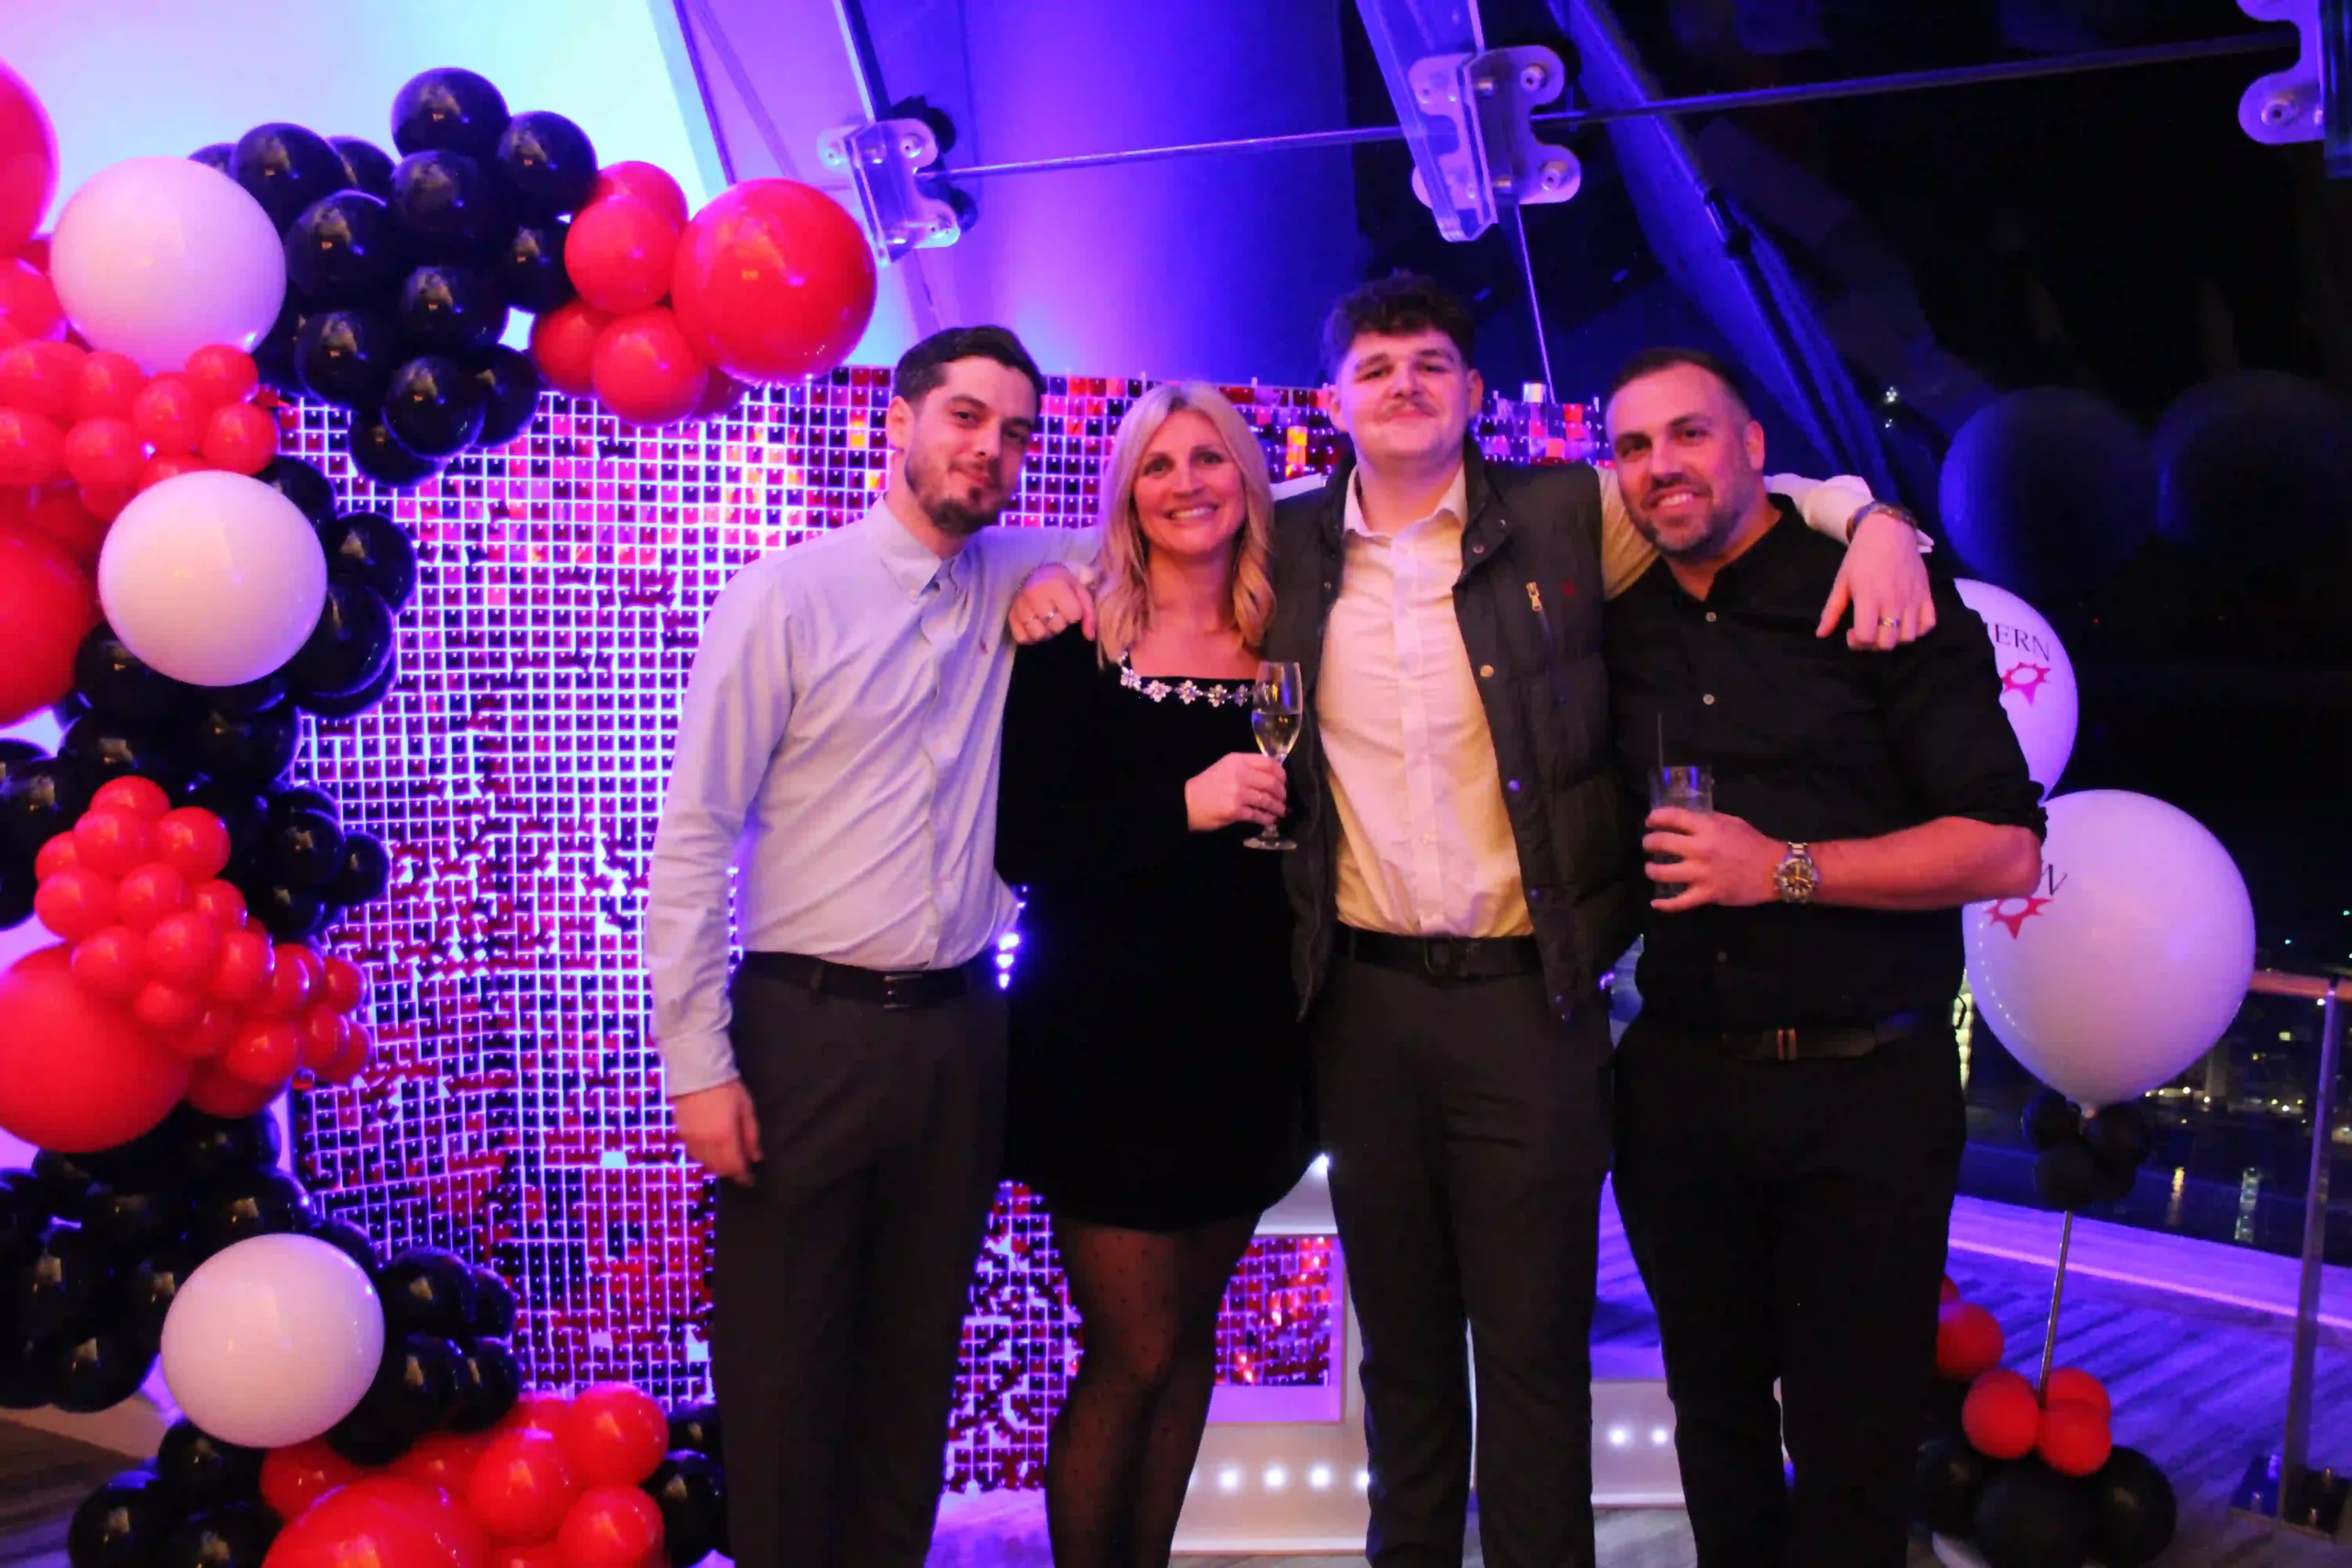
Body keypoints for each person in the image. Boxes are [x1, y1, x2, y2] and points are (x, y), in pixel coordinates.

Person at [1010, 272, 1936, 1568]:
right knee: (1401, 1358)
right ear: (1335, 403)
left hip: (1528, 998)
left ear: (1476, 392)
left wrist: (1872, 516)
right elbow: (1146, 552)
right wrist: (1050, 580)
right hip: (1358, 1007)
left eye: (1431, 366)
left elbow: (1719, 488)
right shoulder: (1292, 544)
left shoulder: (1564, 515)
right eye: (1377, 371)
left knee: (1535, 1351)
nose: (1404, 388)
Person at [644, 325, 1098, 1568]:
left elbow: (1182, 518)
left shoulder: (1021, 571)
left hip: (963, 1032)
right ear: (897, 422)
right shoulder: (787, 595)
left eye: (1015, 432)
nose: (990, 448)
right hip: (807, 1029)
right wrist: (697, 1063)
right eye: (965, 416)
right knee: (785, 1368)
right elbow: (694, 834)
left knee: (914, 1364)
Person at [1601, 346, 2044, 1568]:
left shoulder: (1876, 591)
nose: (1661, 466)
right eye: (1633, 446)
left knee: (1856, 1453)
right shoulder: (1618, 622)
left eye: (1690, 434)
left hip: (1866, 1093)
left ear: (1756, 447)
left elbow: (2005, 847)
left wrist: (1781, 867)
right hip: (1680, 1086)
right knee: (1718, 1433)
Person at [995, 381, 1312, 1568]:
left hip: (1247, 1042)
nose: (1187, 483)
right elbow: (1027, 841)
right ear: (1127, 493)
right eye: (1159, 464)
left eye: (1209, 458)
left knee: (1188, 1346)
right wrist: (1188, 804)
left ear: (1247, 478)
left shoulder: (1290, 635)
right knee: (1130, 1351)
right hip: (1104, 1045)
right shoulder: (1075, 638)